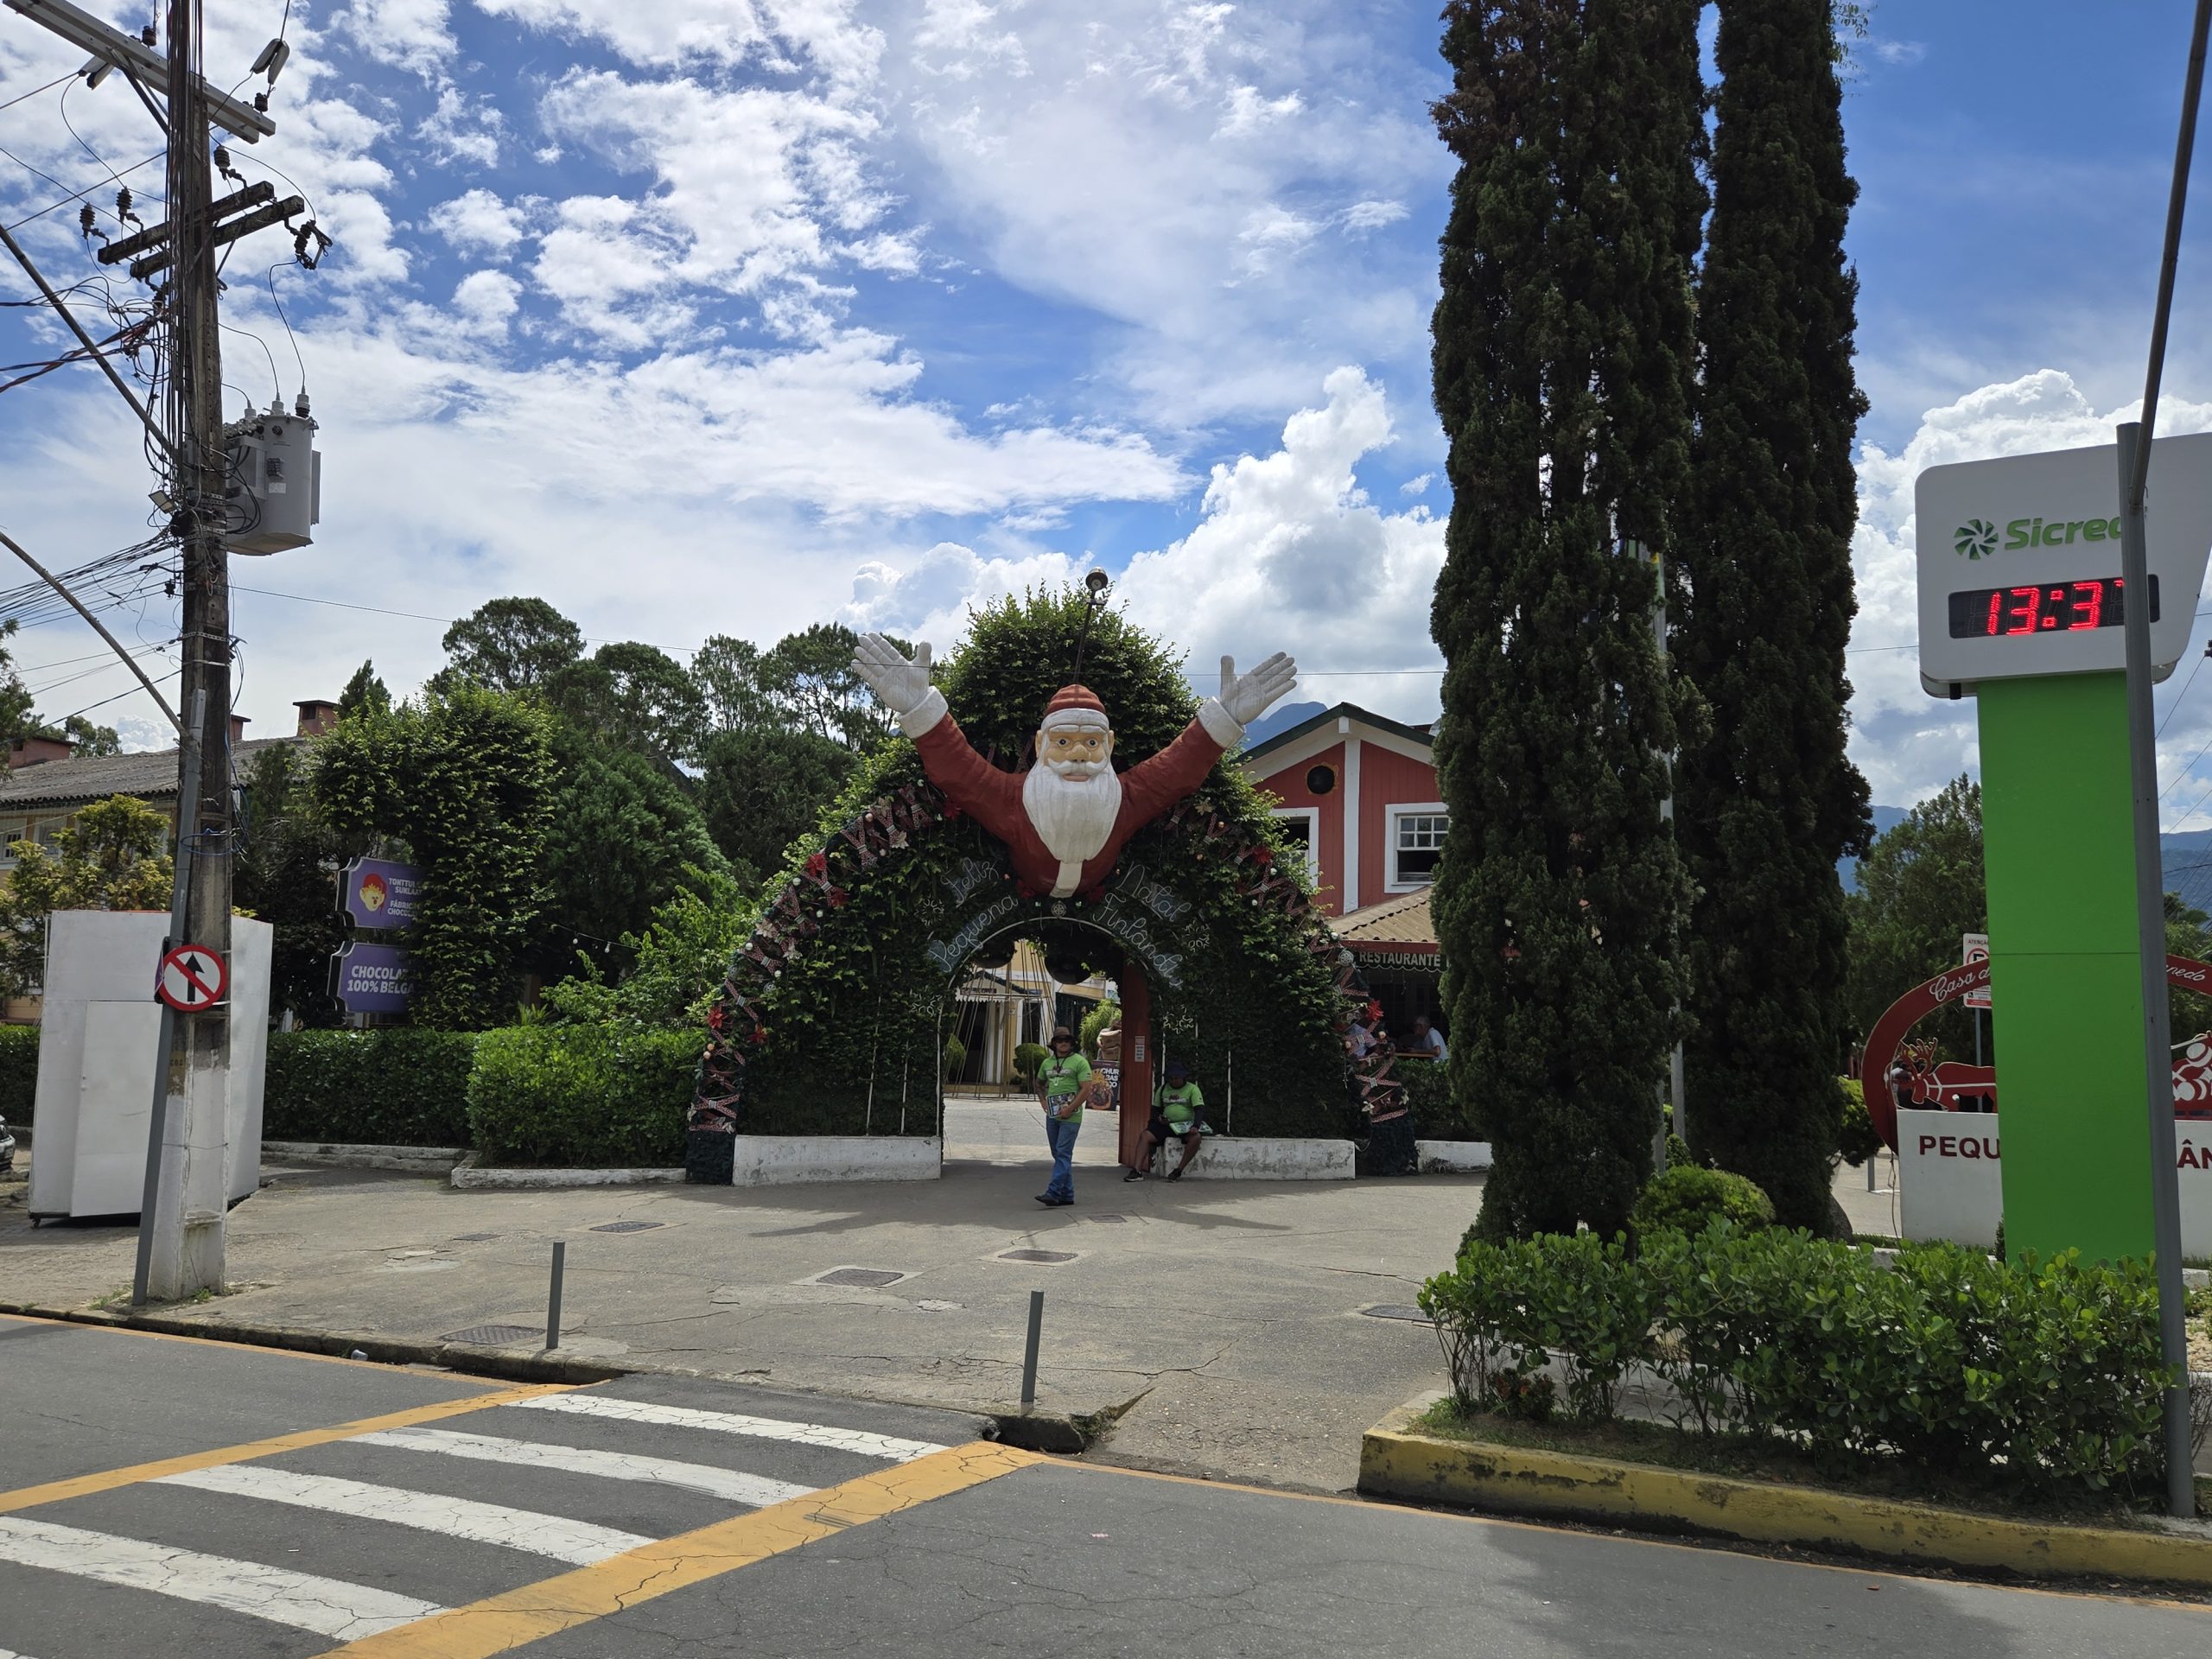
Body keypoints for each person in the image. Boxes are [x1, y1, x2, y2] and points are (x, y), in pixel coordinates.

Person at [1034, 1026, 1091, 1207]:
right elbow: (1038, 1083)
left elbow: (1086, 1089)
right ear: (1054, 1044)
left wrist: (1070, 1108)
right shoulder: (1047, 1063)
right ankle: (1067, 1194)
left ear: (1072, 1043)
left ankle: (1053, 1192)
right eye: (1060, 1040)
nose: (1064, 1043)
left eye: (1067, 1040)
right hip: (1052, 1116)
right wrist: (1043, 1101)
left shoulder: (1080, 1062)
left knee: (1063, 1153)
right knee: (1058, 1153)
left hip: (1071, 1117)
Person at [1128, 1058, 1208, 1181]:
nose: (1174, 1081)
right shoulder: (1163, 1089)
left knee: (1196, 1138)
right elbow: (1155, 1109)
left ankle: (1178, 1170)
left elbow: (1199, 1109)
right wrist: (1159, 1119)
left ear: (1183, 1077)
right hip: (1166, 1125)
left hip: (1184, 1127)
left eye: (1177, 1078)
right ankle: (1137, 1170)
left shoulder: (1192, 1089)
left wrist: (1195, 1126)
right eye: (1171, 1078)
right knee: (1145, 1135)